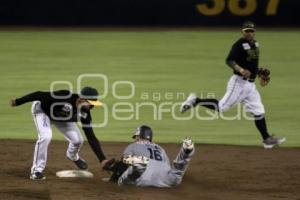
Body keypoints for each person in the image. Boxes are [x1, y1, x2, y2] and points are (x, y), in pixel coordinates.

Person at [180, 21, 285, 149]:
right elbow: (229, 60)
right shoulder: (239, 44)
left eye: (251, 31)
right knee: (222, 107)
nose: (249, 33)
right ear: (242, 32)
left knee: (259, 111)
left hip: (250, 87)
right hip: (238, 83)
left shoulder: (255, 44)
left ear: (254, 32)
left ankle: (267, 139)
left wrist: (259, 72)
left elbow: (251, 64)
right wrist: (241, 70)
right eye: (246, 31)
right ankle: (195, 101)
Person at [10, 87, 108, 180]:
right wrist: (18, 101)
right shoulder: (64, 97)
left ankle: (73, 156)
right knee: (46, 136)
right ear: (81, 99)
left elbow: (91, 137)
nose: (92, 106)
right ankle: (36, 171)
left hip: (61, 117)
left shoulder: (85, 113)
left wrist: (102, 159)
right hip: (43, 112)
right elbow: (39, 94)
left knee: (78, 140)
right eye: (90, 103)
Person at [106, 125, 195, 187]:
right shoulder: (160, 148)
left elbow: (125, 160)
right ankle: (186, 152)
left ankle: (139, 166)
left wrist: (115, 167)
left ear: (138, 137)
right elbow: (167, 166)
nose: (135, 139)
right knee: (177, 171)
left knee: (123, 179)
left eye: (136, 137)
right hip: (165, 180)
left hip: (143, 179)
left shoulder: (133, 145)